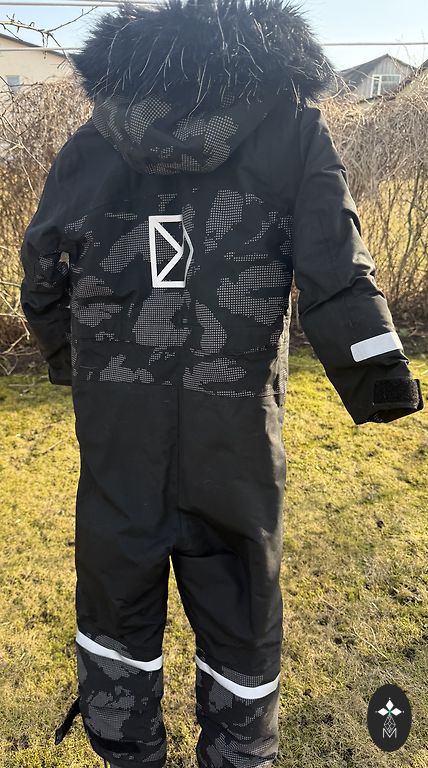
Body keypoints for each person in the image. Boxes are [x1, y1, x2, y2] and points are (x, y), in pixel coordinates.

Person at [19, 0, 423, 766]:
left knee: (116, 593)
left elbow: (41, 272)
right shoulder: (292, 132)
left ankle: (125, 749)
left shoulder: (91, 143)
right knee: (242, 607)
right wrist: (378, 377)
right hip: (235, 441)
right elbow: (337, 264)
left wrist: (71, 357)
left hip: (119, 437)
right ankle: (238, 752)